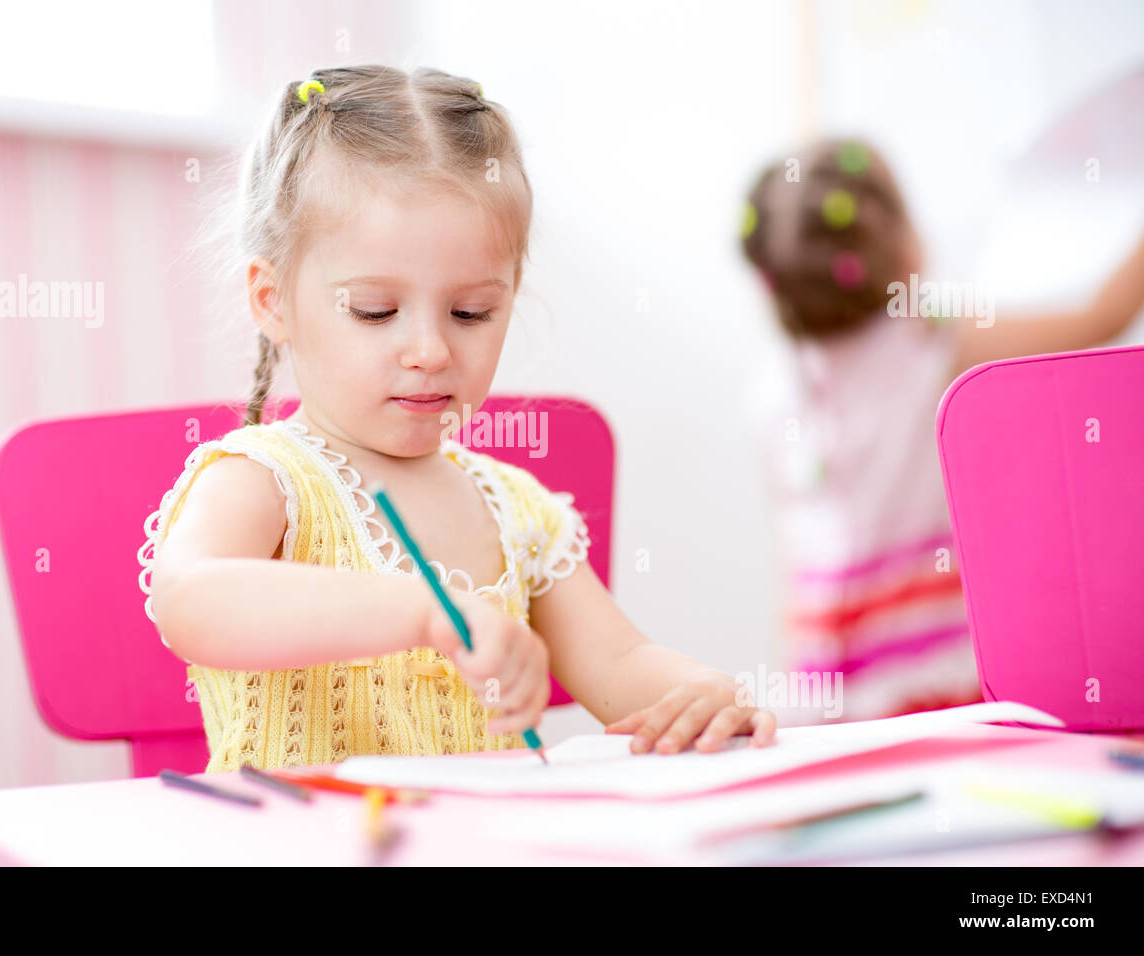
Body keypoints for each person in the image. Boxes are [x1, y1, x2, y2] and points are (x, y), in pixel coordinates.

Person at [137, 65, 776, 771]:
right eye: (376, 311)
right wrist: (421, 612)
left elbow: (621, 662)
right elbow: (191, 600)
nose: (432, 350)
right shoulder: (266, 482)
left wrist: (698, 695)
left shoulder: (519, 512)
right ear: (273, 299)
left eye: (472, 312)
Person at [740, 137, 1144, 723]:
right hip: (937, 680)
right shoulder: (931, 344)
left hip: (817, 698)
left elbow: (794, 567)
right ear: (905, 255)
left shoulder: (772, 392)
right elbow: (1101, 317)